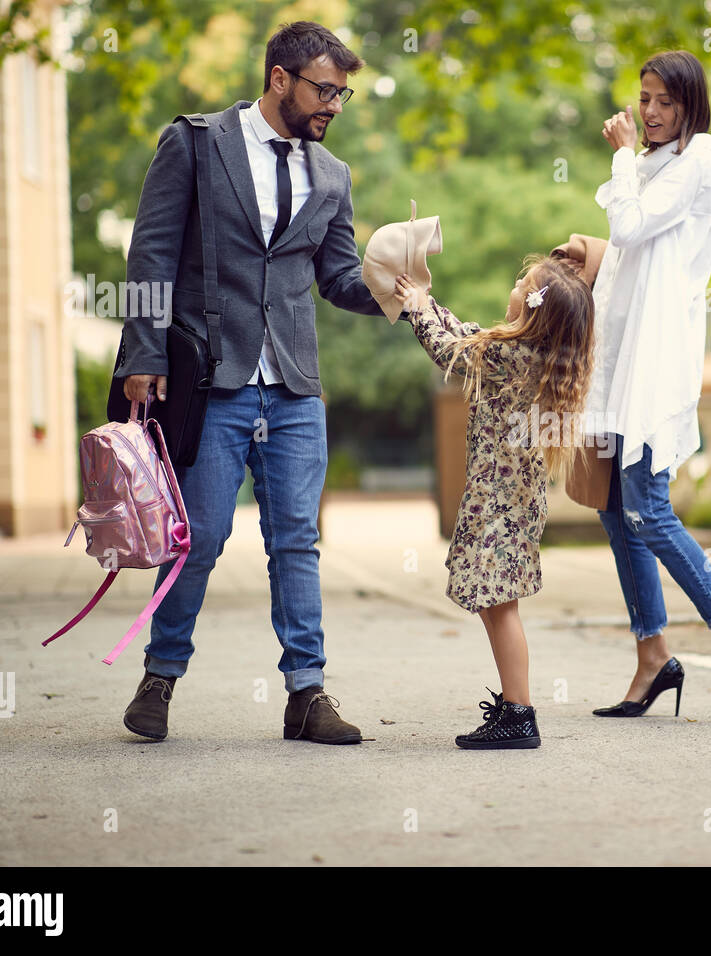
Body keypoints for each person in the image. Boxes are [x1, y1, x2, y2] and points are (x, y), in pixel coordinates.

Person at [114, 21, 384, 743]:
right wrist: (143, 354)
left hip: (293, 386)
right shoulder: (196, 143)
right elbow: (151, 253)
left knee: (295, 539)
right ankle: (161, 675)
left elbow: (338, 277)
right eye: (324, 89)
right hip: (210, 378)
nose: (334, 105)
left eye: (342, 93)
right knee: (196, 538)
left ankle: (307, 693)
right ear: (279, 79)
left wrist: (394, 287)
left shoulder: (333, 175)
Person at [585, 50, 711, 726]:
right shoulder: (648, 167)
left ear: (690, 106)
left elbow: (633, 224)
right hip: (619, 365)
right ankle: (653, 656)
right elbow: (626, 253)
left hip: (656, 366)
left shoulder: (698, 159)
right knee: (616, 509)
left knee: (647, 509)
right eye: (643, 98)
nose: (648, 112)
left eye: (664, 101)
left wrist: (616, 160)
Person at [393, 257, 594, 748]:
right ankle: (513, 706)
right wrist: (425, 300)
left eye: (521, 283)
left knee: (501, 608)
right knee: (495, 604)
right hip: (508, 503)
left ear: (533, 306)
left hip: (500, 505)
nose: (513, 285)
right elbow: (465, 334)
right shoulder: (529, 352)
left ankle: (520, 715)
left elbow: (449, 352)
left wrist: (419, 310)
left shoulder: (514, 357)